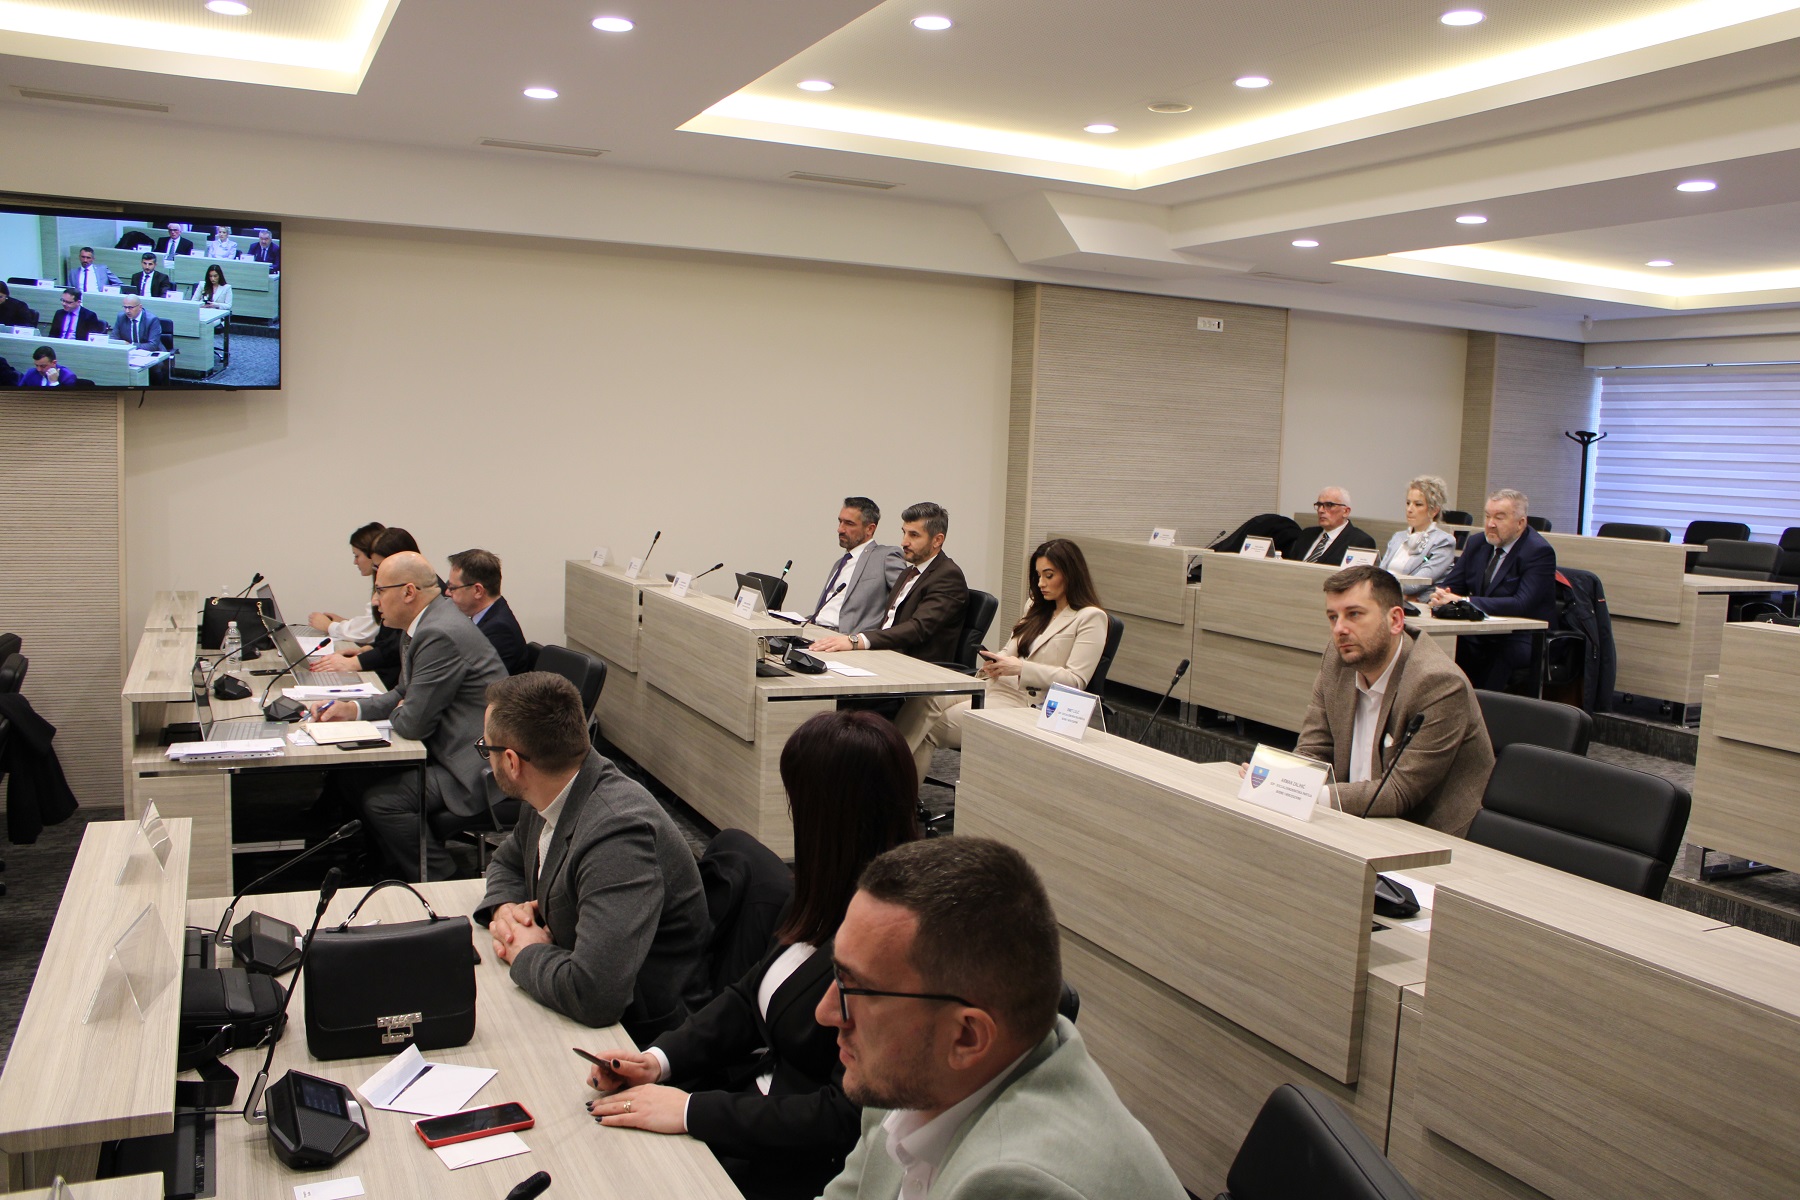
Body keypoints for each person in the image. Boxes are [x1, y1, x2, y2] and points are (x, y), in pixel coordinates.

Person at [585, 710, 921, 1200]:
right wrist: (657, 1061)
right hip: (747, 1112)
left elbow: (843, 1117)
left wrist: (690, 1111)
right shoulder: (822, 891)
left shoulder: (890, 937)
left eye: (798, 803)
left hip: (794, 1163)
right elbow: (748, 998)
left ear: (830, 818)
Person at [811, 838, 1187, 1200]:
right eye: (839, 976)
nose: (825, 1013)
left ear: (966, 1037)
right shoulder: (913, 1077)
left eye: (856, 990)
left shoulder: (1016, 1183)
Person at [474, 672, 711, 1038]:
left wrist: (525, 952)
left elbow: (595, 995)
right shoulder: (550, 786)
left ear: (511, 762)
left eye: (485, 748)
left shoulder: (618, 836)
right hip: (573, 989)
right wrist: (506, 909)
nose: (485, 758)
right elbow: (507, 861)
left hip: (638, 1033)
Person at [309, 551, 508, 880]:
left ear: (408, 592)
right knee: (353, 778)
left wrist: (404, 708)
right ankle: (385, 866)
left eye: (380, 590)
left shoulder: (438, 632)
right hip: (447, 749)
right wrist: (353, 709)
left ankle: (443, 880)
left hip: (473, 765)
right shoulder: (422, 624)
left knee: (383, 801)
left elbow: (413, 724)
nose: (375, 601)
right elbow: (404, 692)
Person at [1290, 565, 1493, 836]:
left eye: (1354, 614)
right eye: (1333, 617)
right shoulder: (1338, 659)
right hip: (1355, 820)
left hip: (1429, 838)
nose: (1339, 629)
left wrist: (1310, 794)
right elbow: (1314, 748)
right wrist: (1285, 781)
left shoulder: (1438, 683)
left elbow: (1398, 791)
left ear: (1396, 620)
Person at [895, 538, 1107, 781]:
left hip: (1029, 703)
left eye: (1049, 576)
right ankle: (887, 769)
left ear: (1071, 574)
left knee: (931, 728)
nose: (1041, 583)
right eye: (1038, 576)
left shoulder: (1090, 618)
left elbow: (1076, 680)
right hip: (994, 685)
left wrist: (1021, 668)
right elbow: (1011, 648)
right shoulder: (1036, 606)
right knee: (925, 698)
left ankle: (893, 790)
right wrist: (998, 661)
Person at [1430, 488, 1556, 690]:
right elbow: (1453, 584)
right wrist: (1442, 595)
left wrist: (1465, 602)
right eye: (1488, 516)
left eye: (1499, 517)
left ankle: (1485, 705)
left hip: (1521, 635)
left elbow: (1522, 604)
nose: (1490, 524)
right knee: (1444, 645)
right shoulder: (1478, 542)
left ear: (1520, 523)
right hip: (1482, 628)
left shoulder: (1538, 551)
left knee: (1500, 654)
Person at [811, 502, 968, 662]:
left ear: (937, 540)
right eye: (904, 533)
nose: (904, 542)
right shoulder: (909, 572)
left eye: (914, 535)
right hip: (881, 655)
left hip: (913, 664)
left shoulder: (948, 575)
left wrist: (857, 640)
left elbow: (918, 628)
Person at [311, 526, 419, 688]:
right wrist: (366, 650)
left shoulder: (416, 592)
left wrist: (354, 663)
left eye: (379, 566)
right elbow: (388, 639)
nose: (376, 601)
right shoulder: (399, 586)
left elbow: (396, 646)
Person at [810, 497, 903, 634]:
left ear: (870, 529)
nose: (840, 529)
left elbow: (906, 599)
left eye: (849, 524)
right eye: (840, 521)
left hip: (847, 637)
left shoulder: (885, 556)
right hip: (815, 630)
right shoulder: (840, 563)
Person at [446, 548, 529, 673]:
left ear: (478, 591)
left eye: (453, 588)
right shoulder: (487, 617)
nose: (447, 592)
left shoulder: (500, 630)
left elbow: (475, 679)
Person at [1379, 476, 1458, 596]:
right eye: (1408, 503)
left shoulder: (1443, 542)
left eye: (1418, 504)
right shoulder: (1398, 537)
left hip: (1414, 603)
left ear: (1434, 510)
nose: (1409, 509)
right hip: (1385, 597)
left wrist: (1380, 588)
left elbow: (1416, 584)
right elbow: (1380, 574)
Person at [1285, 486, 1377, 566]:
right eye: (1319, 505)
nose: (1321, 510)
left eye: (1329, 505)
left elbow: (1357, 577)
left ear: (1346, 511)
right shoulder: (1307, 534)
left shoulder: (1360, 541)